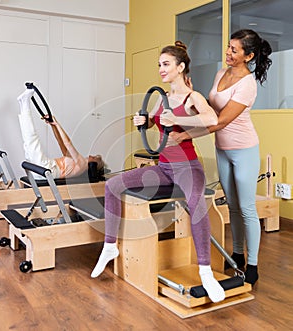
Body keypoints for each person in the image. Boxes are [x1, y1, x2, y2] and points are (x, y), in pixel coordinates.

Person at [91, 41, 226, 303]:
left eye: (166, 64)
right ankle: (109, 248)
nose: (161, 69)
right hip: (163, 168)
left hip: (188, 168)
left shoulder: (192, 97)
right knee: (112, 186)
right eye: (159, 65)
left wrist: (177, 120)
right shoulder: (162, 98)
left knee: (196, 204)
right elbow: (153, 121)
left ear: (181, 67)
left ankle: (206, 273)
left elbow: (211, 120)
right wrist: (143, 121)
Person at [162, 30, 272, 285]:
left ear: (249, 56)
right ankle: (237, 254)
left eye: (234, 50)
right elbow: (210, 109)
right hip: (221, 149)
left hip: (244, 149)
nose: (228, 53)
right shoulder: (220, 73)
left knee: (246, 208)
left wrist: (186, 134)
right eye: (228, 47)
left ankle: (253, 264)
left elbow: (220, 121)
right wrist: (192, 94)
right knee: (231, 205)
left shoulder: (248, 84)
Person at [17, 88, 104, 179]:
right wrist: (53, 125)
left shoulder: (82, 165)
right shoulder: (75, 162)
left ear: (94, 164)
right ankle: (23, 104)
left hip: (46, 170)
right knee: (28, 142)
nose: (90, 155)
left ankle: (25, 103)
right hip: (43, 170)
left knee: (32, 140)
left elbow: (68, 143)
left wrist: (57, 124)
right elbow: (60, 141)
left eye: (93, 157)